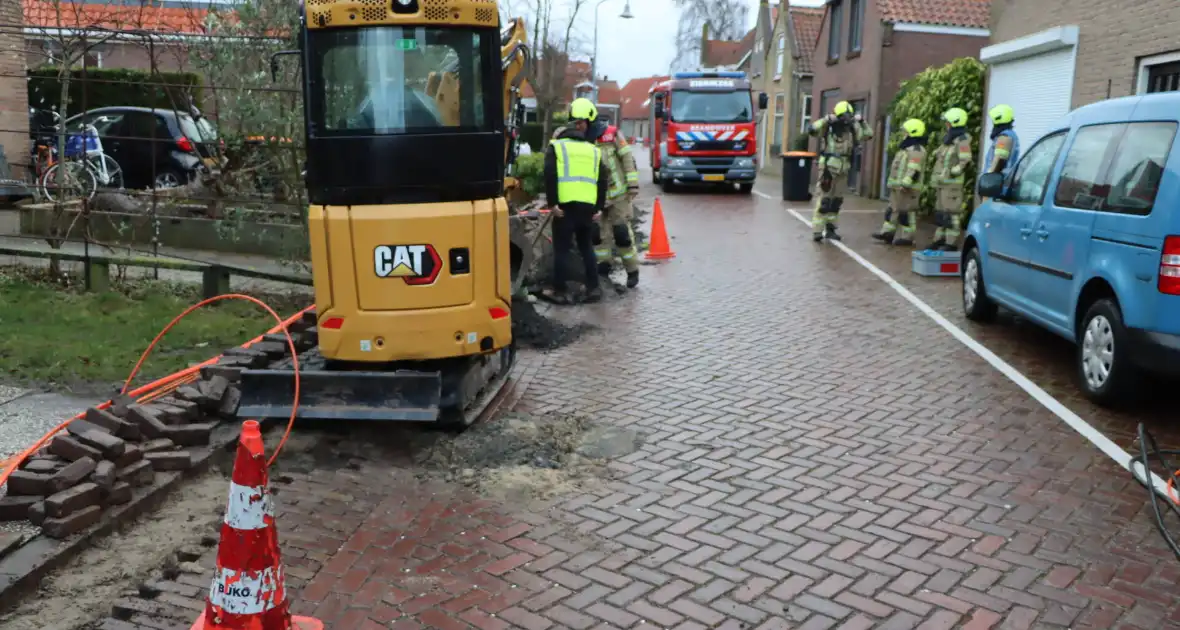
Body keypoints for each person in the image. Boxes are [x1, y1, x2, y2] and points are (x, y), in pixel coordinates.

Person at [541, 97, 609, 304]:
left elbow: (550, 175)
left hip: (565, 207)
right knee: (586, 247)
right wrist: (598, 207)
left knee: (562, 249)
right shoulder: (594, 151)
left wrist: (553, 204)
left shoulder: (557, 147)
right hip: (587, 208)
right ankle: (593, 288)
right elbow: (602, 180)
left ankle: (560, 291)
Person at [808, 100, 873, 242]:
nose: (846, 119)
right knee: (824, 199)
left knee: (836, 200)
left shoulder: (852, 128)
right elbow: (812, 129)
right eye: (844, 116)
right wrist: (826, 119)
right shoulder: (828, 127)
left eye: (849, 116)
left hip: (844, 167)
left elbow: (868, 134)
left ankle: (831, 229)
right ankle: (817, 231)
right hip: (828, 168)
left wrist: (862, 121)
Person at [592, 121, 641, 288]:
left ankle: (632, 271)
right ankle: (603, 268)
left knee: (622, 234)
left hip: (618, 195)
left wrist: (632, 184)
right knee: (598, 236)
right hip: (596, 198)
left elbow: (627, 158)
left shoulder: (612, 134)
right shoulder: (583, 139)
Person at [872, 118, 927, 248]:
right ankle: (887, 233)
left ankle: (907, 238)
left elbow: (914, 169)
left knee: (907, 213)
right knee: (893, 211)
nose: (904, 134)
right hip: (898, 187)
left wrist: (906, 183)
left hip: (908, 189)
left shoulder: (916, 150)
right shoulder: (906, 148)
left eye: (905, 131)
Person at [927, 107, 974, 251]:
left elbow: (965, 160)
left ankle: (951, 243)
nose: (946, 125)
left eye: (947, 122)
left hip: (952, 185)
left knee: (952, 214)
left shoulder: (962, 140)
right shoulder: (949, 139)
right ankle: (939, 240)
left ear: (954, 122)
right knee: (941, 213)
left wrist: (955, 171)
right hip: (943, 184)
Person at [984, 104, 1020, 178]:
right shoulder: (1010, 134)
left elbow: (999, 160)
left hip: (996, 184)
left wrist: (988, 178)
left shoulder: (1004, 137)